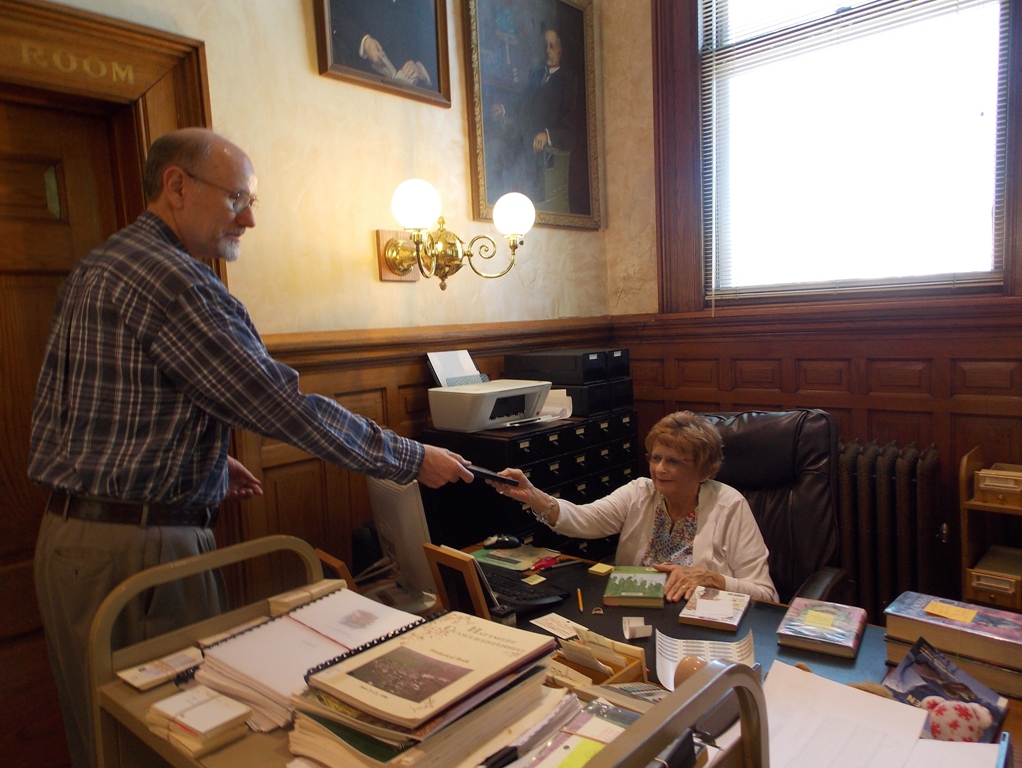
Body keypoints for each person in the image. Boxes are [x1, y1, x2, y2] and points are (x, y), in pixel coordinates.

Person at [28, 127, 472, 768]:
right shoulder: (177, 282)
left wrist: (206, 460)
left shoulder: (102, 265)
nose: (250, 219)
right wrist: (410, 458)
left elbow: (99, 410)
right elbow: (280, 406)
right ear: (177, 186)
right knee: (166, 740)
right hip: (139, 553)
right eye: (238, 198)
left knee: (100, 736)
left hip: (71, 541)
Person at [488, 411, 778, 604]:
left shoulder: (730, 505)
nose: (659, 469)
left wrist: (714, 579)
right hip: (632, 609)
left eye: (673, 461)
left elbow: (766, 595)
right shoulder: (640, 491)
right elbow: (585, 519)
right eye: (656, 458)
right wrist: (532, 495)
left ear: (704, 469)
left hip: (697, 619)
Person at [489, 27, 580, 206]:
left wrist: (548, 134)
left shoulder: (567, 83)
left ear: (560, 51)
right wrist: (503, 109)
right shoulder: (537, 75)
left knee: (520, 169)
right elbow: (522, 102)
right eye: (545, 46)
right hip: (519, 140)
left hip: (539, 152)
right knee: (493, 149)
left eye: (552, 46)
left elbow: (570, 129)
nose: (547, 51)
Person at [330, 0, 438, 88]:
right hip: (364, 83)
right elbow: (336, 14)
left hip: (413, 94)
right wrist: (365, 41)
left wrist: (420, 68)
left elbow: (432, 39)